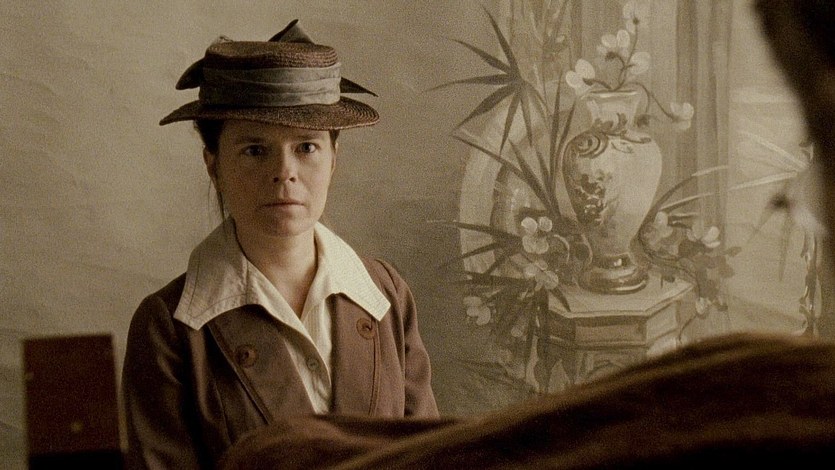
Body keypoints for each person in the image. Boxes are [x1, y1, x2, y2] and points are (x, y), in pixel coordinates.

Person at [121, 20, 438, 469]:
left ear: (334, 159)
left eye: (306, 147)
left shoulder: (385, 294)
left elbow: (431, 456)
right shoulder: (169, 328)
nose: (284, 173)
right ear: (213, 164)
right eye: (254, 150)